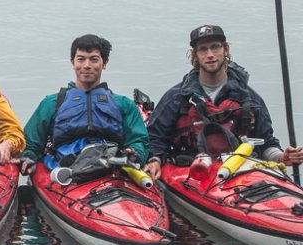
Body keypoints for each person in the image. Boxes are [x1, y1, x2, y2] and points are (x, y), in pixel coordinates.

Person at [143, 24, 302, 178]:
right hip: (190, 172)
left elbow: (266, 143)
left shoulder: (250, 99)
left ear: (225, 49)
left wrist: (282, 157)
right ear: (195, 55)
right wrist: (155, 160)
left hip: (240, 173)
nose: (210, 54)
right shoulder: (176, 98)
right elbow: (156, 139)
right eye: (203, 49)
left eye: (215, 47)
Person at [21, 34, 148, 171]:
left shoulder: (124, 104)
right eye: (81, 59)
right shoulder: (52, 103)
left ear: (104, 63)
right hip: (64, 167)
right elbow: (31, 143)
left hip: (110, 165)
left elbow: (139, 140)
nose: (86, 66)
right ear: (72, 62)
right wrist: (29, 157)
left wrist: (135, 153)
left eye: (94, 60)